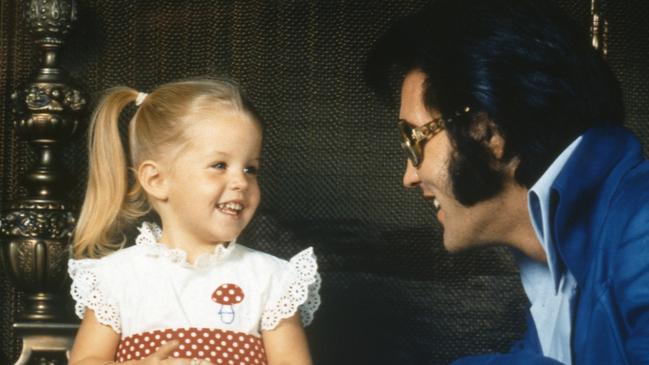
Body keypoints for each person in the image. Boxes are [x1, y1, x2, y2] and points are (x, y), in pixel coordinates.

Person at [367, 0, 649, 364]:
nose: (409, 176)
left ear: (486, 131)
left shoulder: (641, 226)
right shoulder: (556, 262)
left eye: (414, 140)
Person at [67, 79, 321, 365]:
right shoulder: (117, 277)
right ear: (157, 180)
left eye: (251, 169)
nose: (241, 181)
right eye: (219, 166)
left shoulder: (270, 278)